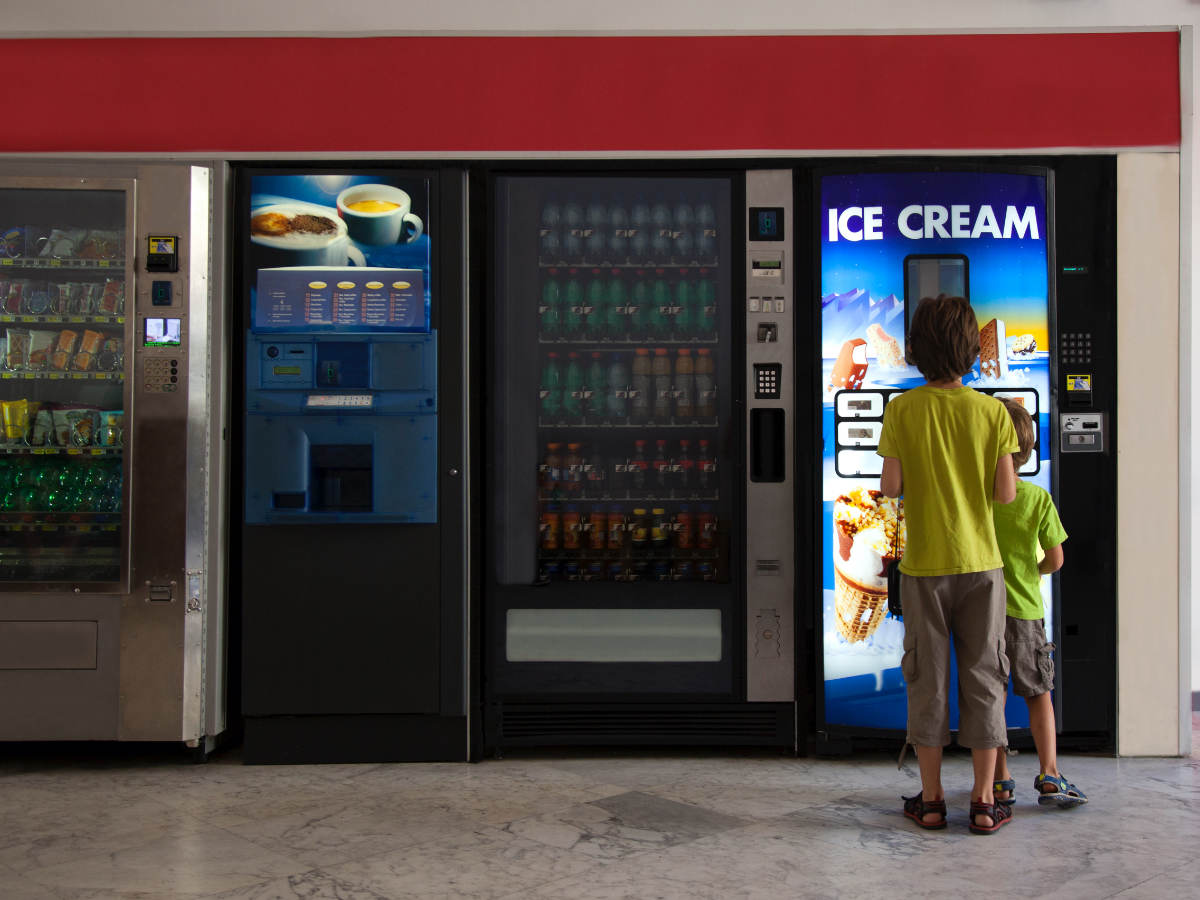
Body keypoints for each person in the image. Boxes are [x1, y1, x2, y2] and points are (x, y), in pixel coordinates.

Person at [877, 294, 1019, 835]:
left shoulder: (902, 409)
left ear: (916, 350)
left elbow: (891, 486)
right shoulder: (991, 413)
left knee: (927, 679)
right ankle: (984, 801)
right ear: (969, 349)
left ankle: (932, 800)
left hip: (924, 568)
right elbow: (1005, 494)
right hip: (983, 565)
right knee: (985, 676)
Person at [990, 398, 1087, 809]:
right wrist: (1032, 571)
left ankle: (1000, 780)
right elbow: (1056, 558)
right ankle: (1049, 774)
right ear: (1027, 450)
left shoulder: (978, 499)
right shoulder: (1037, 499)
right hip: (1026, 612)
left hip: (985, 612)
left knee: (988, 696)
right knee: (1039, 694)